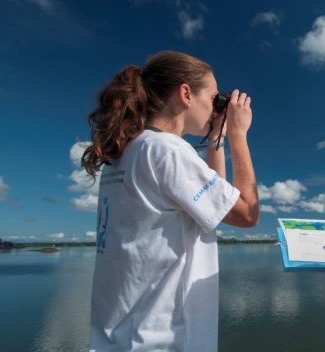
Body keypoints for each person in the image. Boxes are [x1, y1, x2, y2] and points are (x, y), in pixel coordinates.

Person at [81, 51, 259, 351]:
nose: (217, 106)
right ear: (186, 93)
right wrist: (238, 136)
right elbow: (246, 213)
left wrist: (217, 138)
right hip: (163, 339)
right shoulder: (167, 150)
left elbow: (214, 205)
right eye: (214, 97)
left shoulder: (131, 151)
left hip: (121, 338)